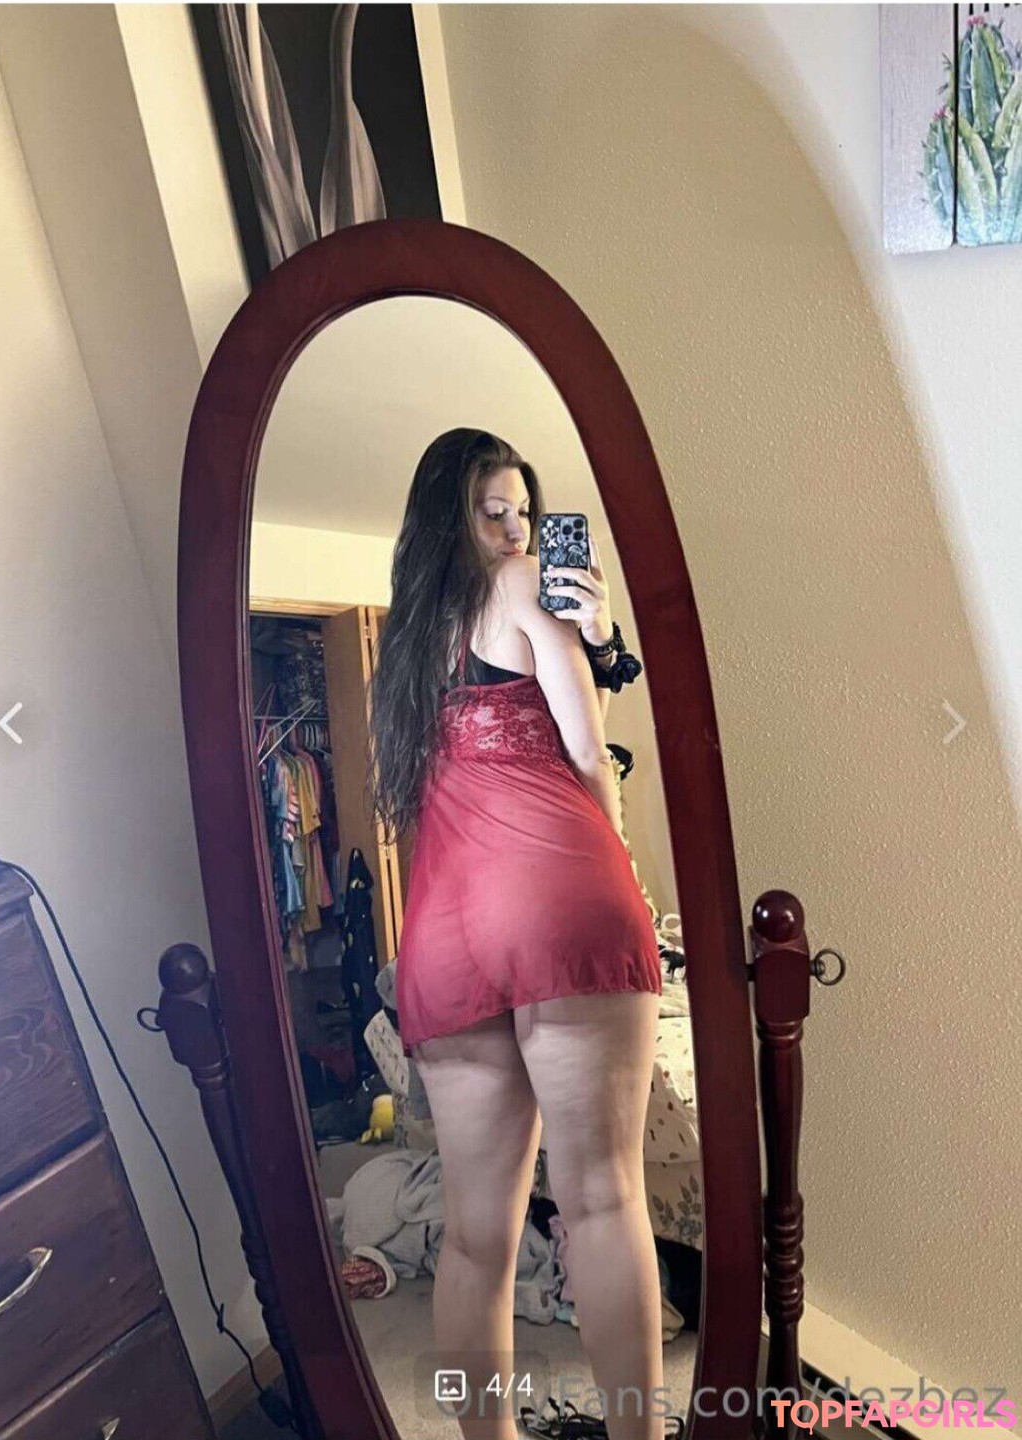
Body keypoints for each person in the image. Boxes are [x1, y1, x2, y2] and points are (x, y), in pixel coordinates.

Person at [369, 429, 667, 1440]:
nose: (513, 532)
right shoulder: (527, 584)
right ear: (449, 519)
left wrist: (601, 641)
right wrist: (623, 878)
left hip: (447, 932)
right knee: (601, 1203)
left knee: (472, 1239)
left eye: (523, 515)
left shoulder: (405, 643)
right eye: (491, 512)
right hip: (559, 899)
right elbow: (587, 755)